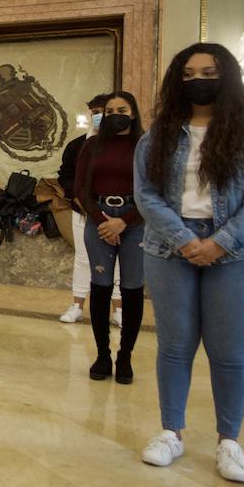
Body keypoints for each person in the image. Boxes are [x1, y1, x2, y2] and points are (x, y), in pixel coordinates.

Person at [135, 43, 244, 483]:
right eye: (188, 73)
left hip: (236, 252)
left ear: (228, 77)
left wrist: (219, 241)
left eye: (209, 71)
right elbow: (146, 194)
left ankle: (229, 442)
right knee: (175, 346)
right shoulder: (159, 134)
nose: (198, 79)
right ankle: (171, 432)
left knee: (229, 352)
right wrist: (183, 239)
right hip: (169, 248)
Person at [73, 91, 146, 384]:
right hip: (98, 219)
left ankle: (125, 355)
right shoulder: (92, 146)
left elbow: (153, 189)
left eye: (122, 109)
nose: (115, 114)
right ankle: (102, 353)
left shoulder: (145, 145)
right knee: (100, 287)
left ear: (133, 113)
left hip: (136, 220)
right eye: (110, 109)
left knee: (131, 289)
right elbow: (80, 188)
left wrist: (123, 222)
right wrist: (103, 220)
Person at [58, 94, 122, 326]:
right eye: (94, 112)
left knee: (117, 262)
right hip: (83, 211)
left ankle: (118, 309)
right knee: (83, 259)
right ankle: (77, 305)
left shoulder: (122, 146)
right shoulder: (77, 145)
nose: (98, 117)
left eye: (102, 112)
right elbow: (66, 177)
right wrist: (81, 201)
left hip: (115, 215)